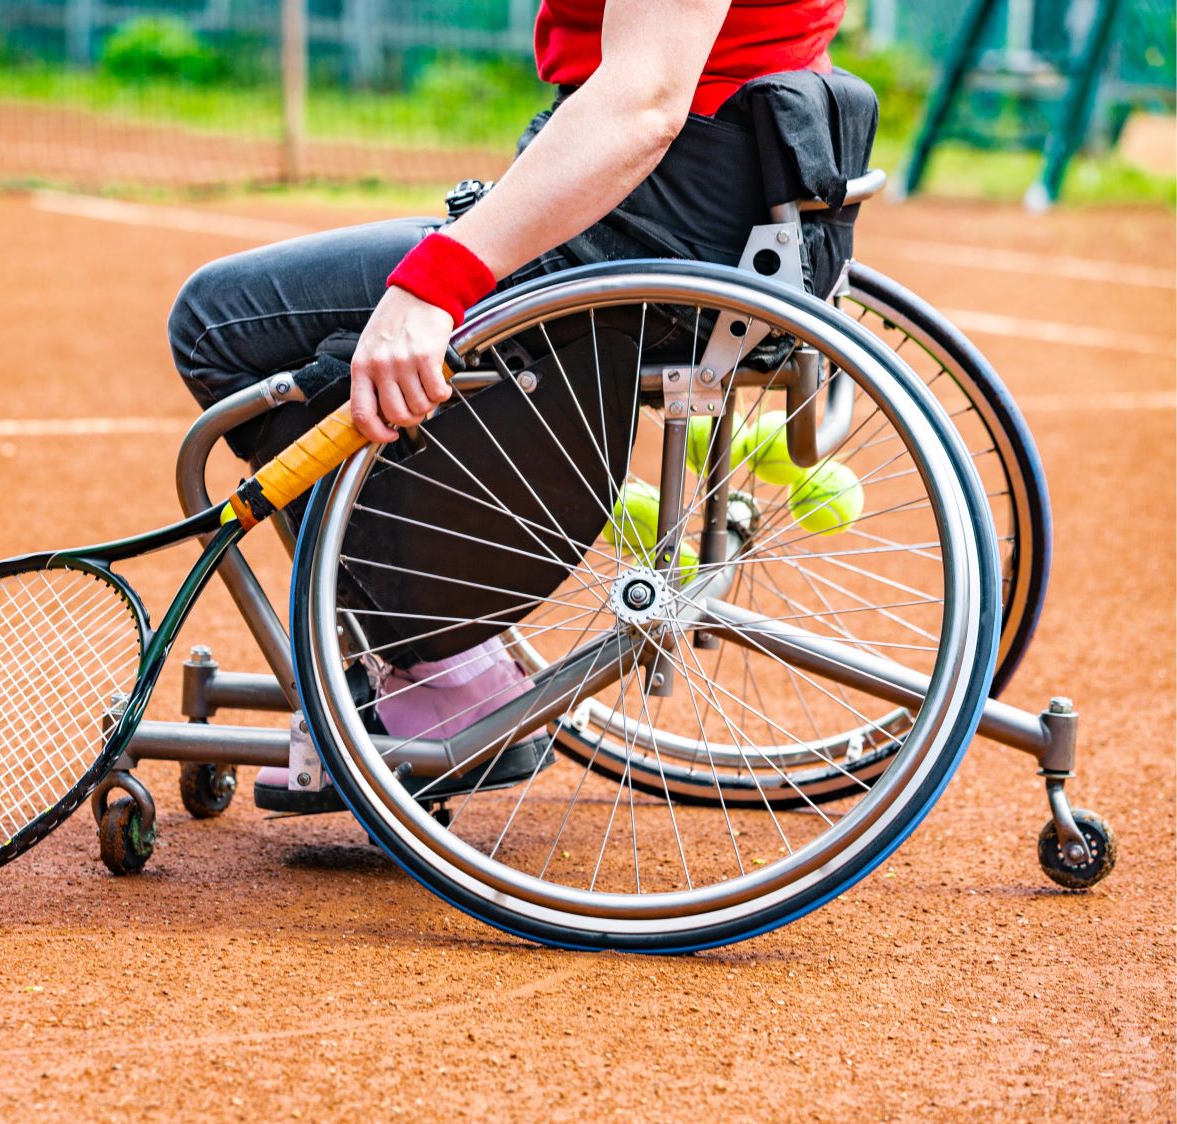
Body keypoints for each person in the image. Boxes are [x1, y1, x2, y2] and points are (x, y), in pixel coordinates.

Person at [168, 0, 857, 813]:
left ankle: (437, 667)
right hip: (722, 209)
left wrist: (438, 282)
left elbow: (643, 104)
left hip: (641, 228)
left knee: (216, 324)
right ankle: (438, 657)